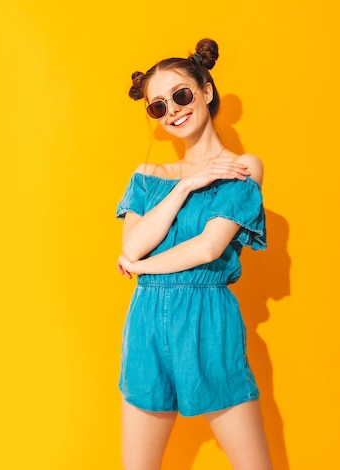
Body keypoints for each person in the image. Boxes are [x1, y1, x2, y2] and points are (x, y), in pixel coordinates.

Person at [115, 38, 273, 470]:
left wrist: (138, 267)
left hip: (207, 319)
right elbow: (131, 244)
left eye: (180, 95)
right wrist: (186, 184)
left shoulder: (242, 167)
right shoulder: (149, 175)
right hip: (146, 323)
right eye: (158, 106)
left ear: (205, 90)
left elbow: (207, 247)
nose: (173, 111)